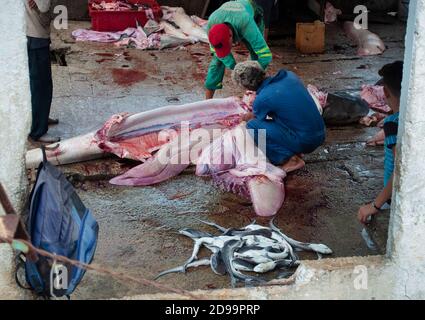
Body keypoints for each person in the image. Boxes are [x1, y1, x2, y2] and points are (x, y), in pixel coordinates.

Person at [232, 61, 326, 172]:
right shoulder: (290, 76)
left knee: (253, 126)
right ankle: (294, 148)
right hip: (321, 133)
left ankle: (289, 159)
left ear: (247, 86)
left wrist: (245, 117)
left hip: (307, 142)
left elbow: (256, 118)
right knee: (280, 116)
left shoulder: (263, 98)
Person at [358, 61, 403, 224]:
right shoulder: (409, 120)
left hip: (395, 196)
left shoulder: (393, 124)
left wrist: (375, 205)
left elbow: (400, 170)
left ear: (385, 92)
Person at [205, 0, 272, 99]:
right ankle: (207, 101)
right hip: (233, 18)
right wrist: (234, 67)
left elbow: (265, 56)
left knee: (256, 56)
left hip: (251, 14)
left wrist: (250, 76)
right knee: (216, 62)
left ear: (231, 36)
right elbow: (217, 52)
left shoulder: (246, 23)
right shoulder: (212, 23)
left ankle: (253, 98)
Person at [25, 0, 60, 143]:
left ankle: (41, 118)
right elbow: (44, 7)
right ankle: (38, 131)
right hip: (36, 35)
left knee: (36, 84)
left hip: (30, 32)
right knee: (41, 86)